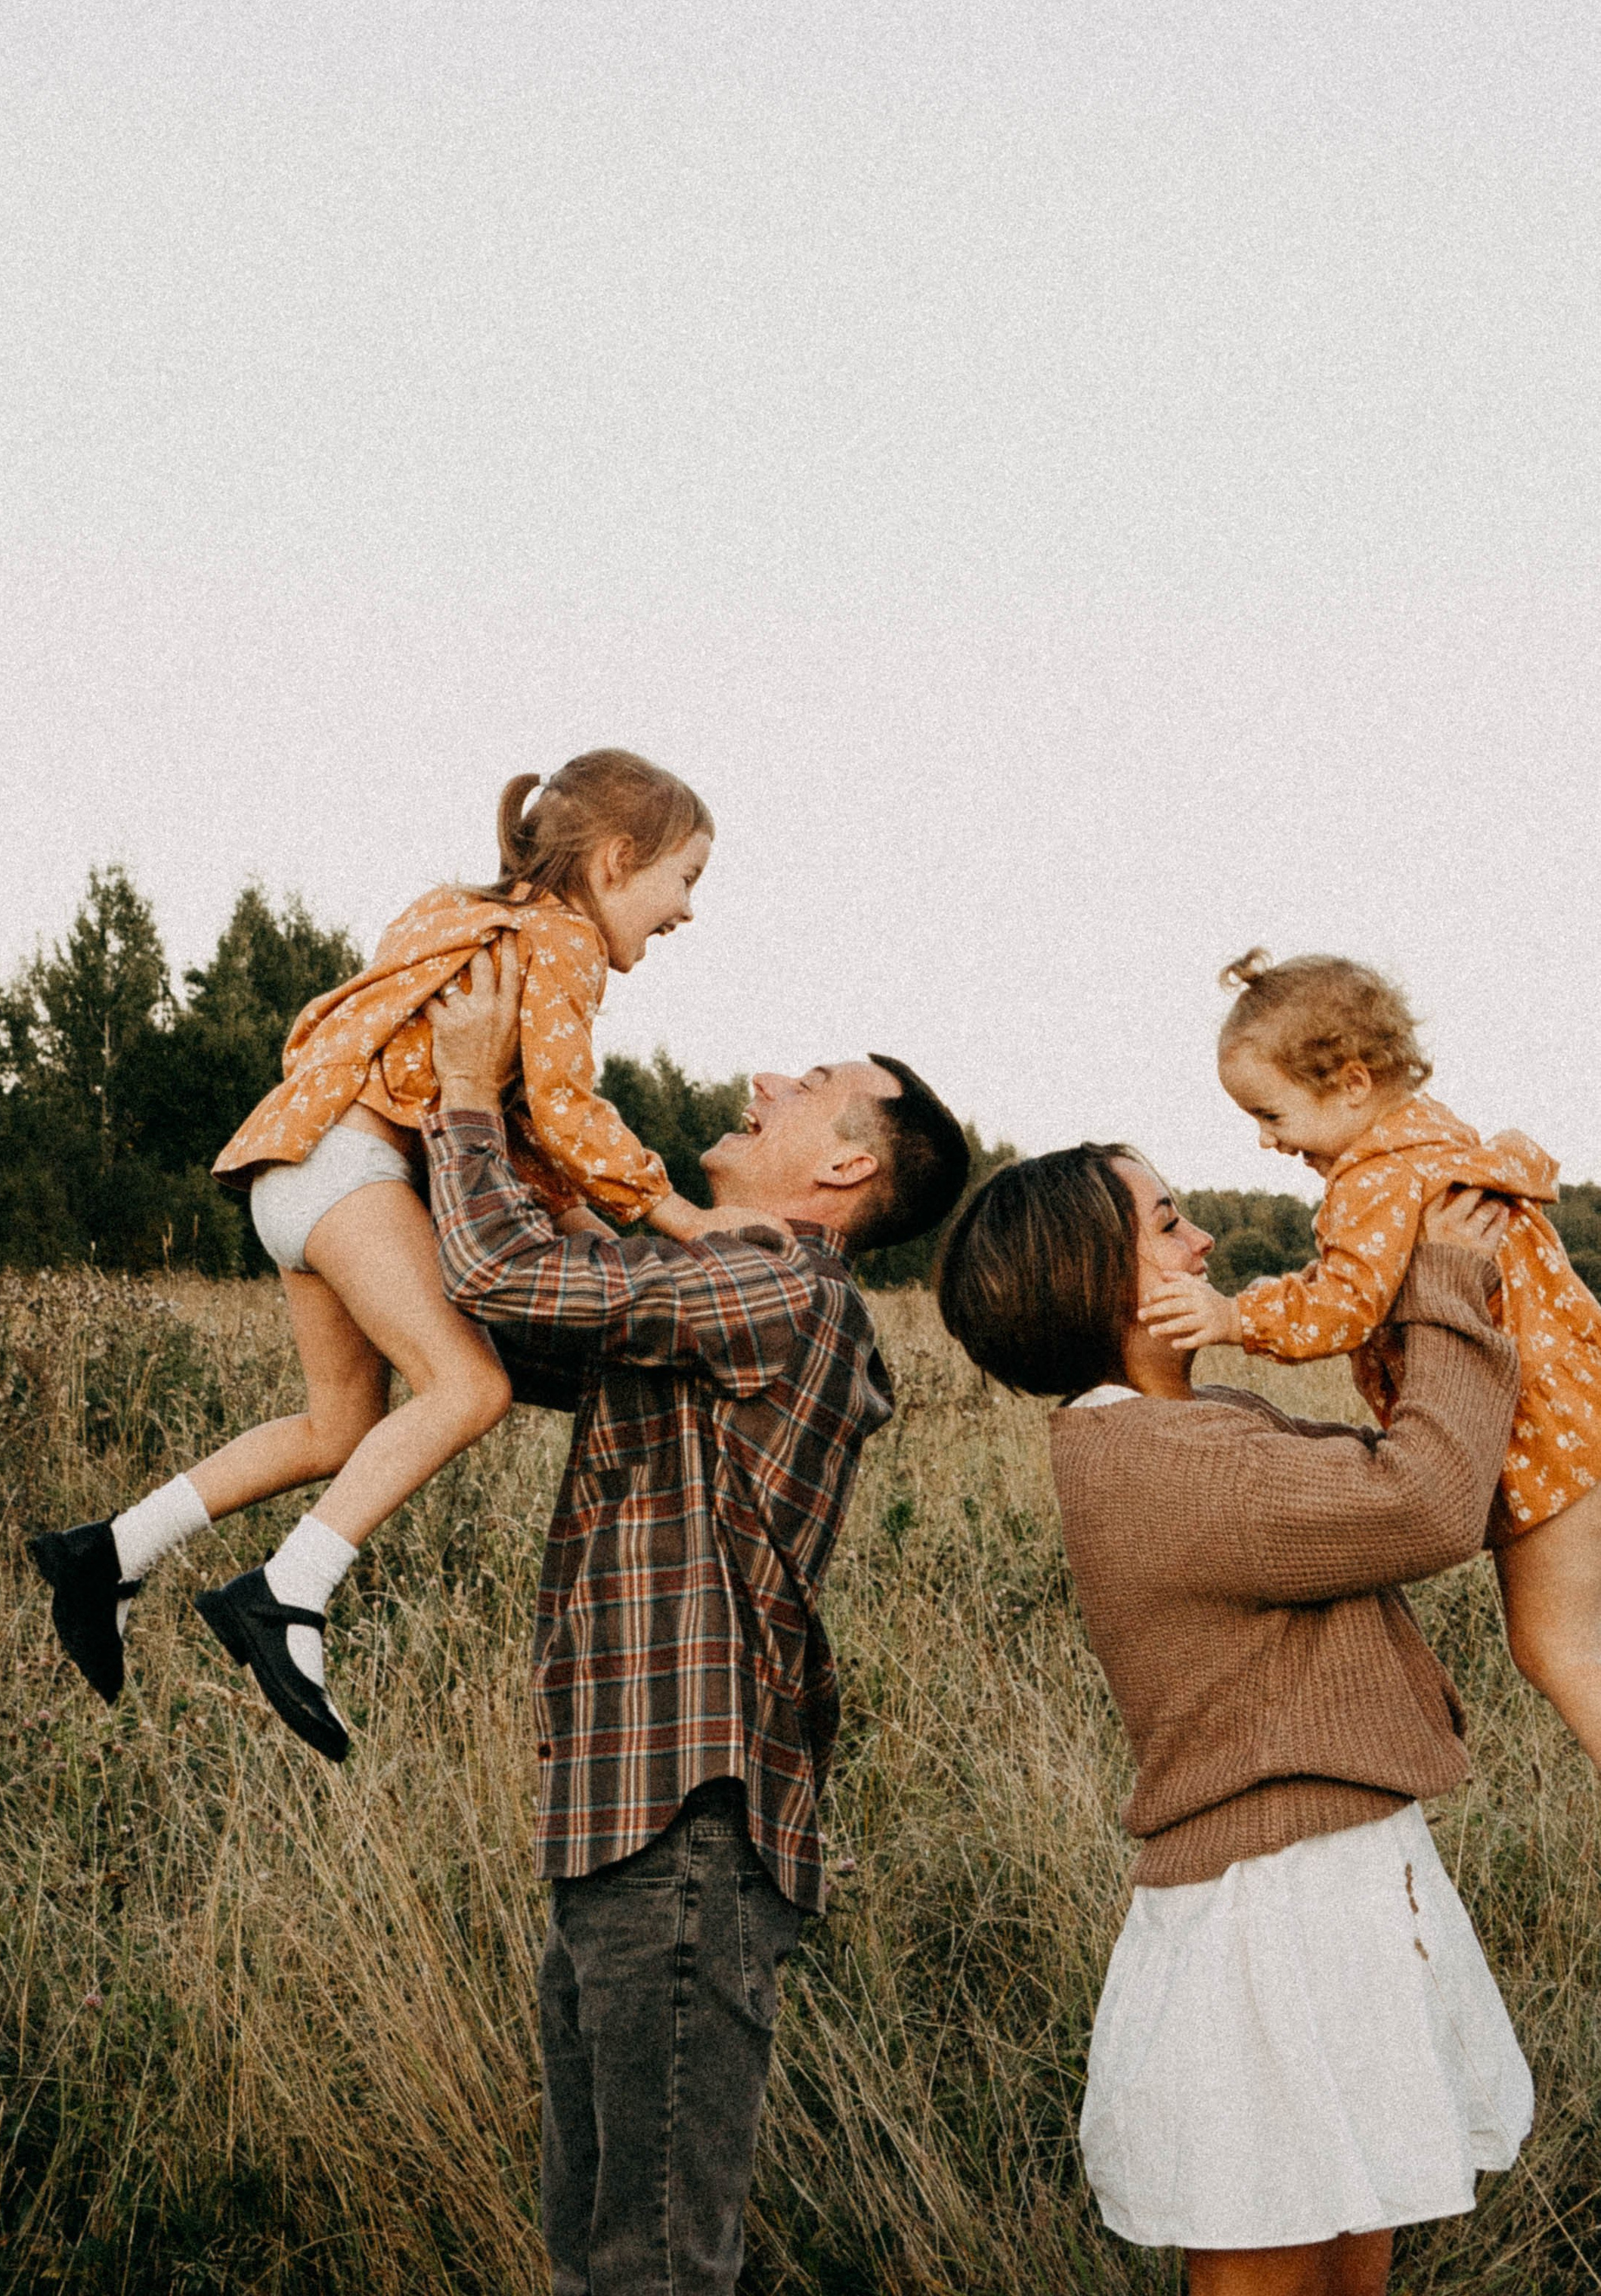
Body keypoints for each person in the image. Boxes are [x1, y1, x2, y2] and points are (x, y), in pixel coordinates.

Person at [423, 939, 970, 2296]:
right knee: (602, 2251)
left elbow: (506, 1282)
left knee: (654, 2266)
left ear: (845, 1166)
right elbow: (516, 1316)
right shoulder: (719, 1293)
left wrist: (462, 1096)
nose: (764, 1078)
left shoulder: (779, 1283)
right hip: (630, 1821)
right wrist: (540, 1126)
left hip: (681, 1826)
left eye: (812, 1081)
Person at [29, 749, 752, 1753]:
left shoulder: (463, 912)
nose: (688, 912)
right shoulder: (563, 941)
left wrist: (593, 1228)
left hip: (294, 1170)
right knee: (471, 1388)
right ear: (621, 860)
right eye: (688, 880)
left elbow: (523, 1134)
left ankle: (107, 1551)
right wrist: (682, 1220)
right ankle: (290, 1591)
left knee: (339, 1430)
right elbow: (567, 1112)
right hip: (352, 1172)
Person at [938, 1142, 1533, 2296]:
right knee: (1271, 2268)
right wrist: (1448, 1283)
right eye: (1169, 1223)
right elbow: (1425, 1502)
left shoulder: (1195, 1426)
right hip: (1274, 1905)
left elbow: (1395, 1470)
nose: (1203, 1242)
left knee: (1355, 2249)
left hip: (1335, 1876)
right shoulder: (1161, 1460)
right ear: (1103, 1281)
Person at [1145, 947, 1601, 1772]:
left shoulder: (1376, 1184)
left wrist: (1230, 1315)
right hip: (1580, 1407)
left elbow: (1341, 1304)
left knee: (1557, 1650)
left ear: (1352, 1085)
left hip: (1543, 1437)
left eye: (1272, 1115)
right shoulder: (1442, 1148)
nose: (1263, 1141)